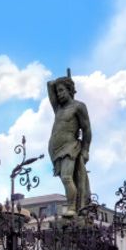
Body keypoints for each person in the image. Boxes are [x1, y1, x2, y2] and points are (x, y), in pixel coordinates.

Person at [46, 69, 91, 217]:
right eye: (58, 92)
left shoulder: (79, 106)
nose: (59, 94)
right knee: (66, 180)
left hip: (70, 147)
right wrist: (59, 82)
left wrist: (85, 150)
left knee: (67, 177)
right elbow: (49, 86)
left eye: (62, 91)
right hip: (55, 149)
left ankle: (72, 207)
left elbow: (86, 129)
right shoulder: (58, 108)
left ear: (70, 90)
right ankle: (75, 205)